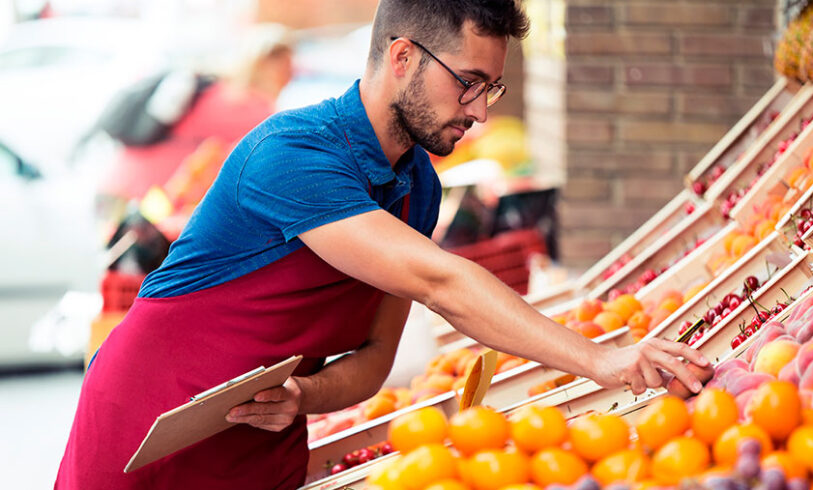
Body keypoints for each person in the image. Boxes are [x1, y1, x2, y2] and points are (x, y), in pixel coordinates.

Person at [56, 2, 708, 488]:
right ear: (402, 59)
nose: (481, 111)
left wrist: (303, 398)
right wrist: (604, 361)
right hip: (146, 432)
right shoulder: (291, 155)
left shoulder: (415, 185)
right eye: (469, 82)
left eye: (493, 88)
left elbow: (374, 358)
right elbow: (441, 283)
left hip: (260, 443)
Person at [98, 23, 295, 203]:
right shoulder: (248, 108)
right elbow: (270, 161)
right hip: (141, 201)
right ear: (265, 66)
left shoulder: (212, 87)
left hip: (121, 189)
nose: (290, 74)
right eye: (286, 67)